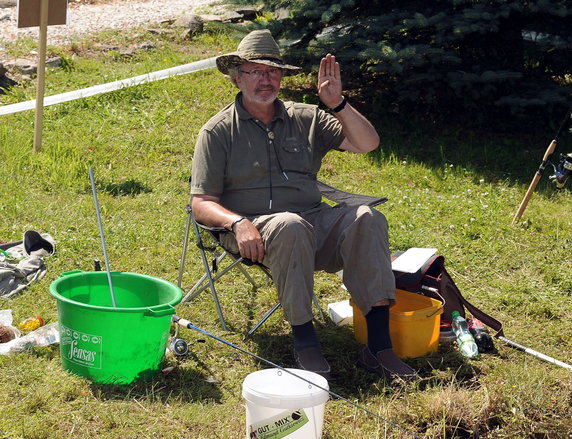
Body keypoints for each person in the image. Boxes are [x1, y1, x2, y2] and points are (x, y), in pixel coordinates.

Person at [190, 29, 415, 381]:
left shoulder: (306, 117)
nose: (265, 80)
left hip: (312, 223)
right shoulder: (217, 131)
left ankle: (379, 348)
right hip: (252, 233)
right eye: (255, 71)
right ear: (237, 78)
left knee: (367, 217)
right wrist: (236, 223)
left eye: (273, 71)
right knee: (289, 224)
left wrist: (337, 104)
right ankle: (306, 342)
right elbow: (201, 202)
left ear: (282, 76)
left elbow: (367, 144)